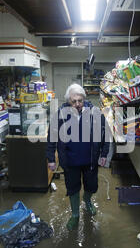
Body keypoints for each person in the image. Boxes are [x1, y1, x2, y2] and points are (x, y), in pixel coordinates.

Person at [47, 84, 110, 230]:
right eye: (73, 101)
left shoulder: (95, 112)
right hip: (70, 161)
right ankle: (75, 214)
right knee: (73, 188)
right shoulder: (60, 114)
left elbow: (105, 133)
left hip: (90, 160)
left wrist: (104, 154)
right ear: (68, 100)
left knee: (92, 186)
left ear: (84, 99)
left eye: (80, 101)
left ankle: (87, 201)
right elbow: (52, 137)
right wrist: (51, 158)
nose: (77, 104)